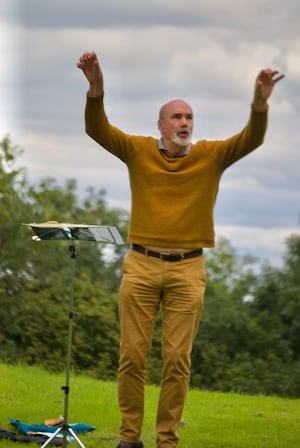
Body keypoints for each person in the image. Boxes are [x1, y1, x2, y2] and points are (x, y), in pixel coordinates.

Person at [77, 51, 284, 448]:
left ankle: (167, 441)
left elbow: (251, 139)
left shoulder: (212, 156)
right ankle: (129, 438)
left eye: (189, 117)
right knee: (132, 357)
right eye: (177, 117)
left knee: (176, 361)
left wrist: (260, 104)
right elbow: (98, 130)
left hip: (189, 270)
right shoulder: (137, 150)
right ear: (161, 124)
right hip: (140, 265)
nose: (184, 123)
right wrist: (95, 89)